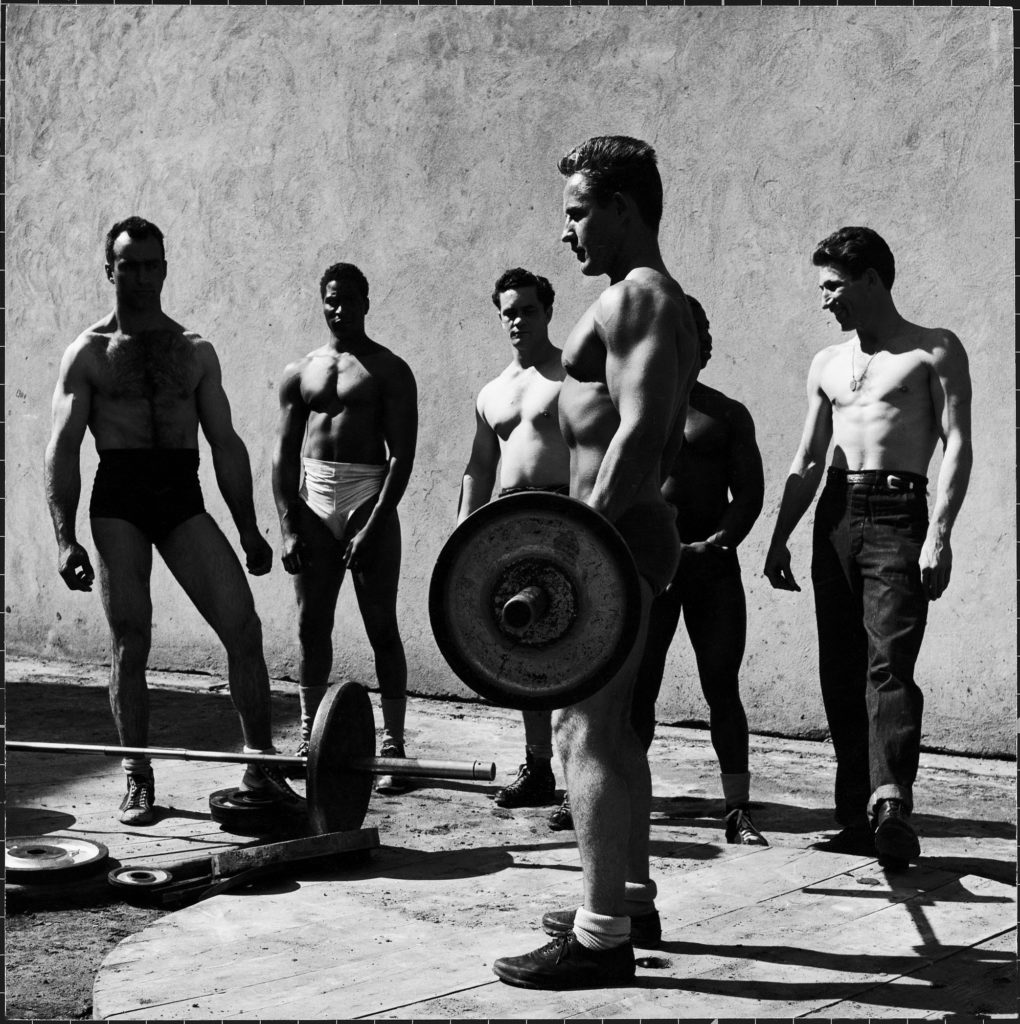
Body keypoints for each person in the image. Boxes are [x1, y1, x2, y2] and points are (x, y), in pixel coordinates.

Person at [493, 136, 699, 989]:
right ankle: (628, 894)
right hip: (617, 542)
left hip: (610, 543)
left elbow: (641, 437)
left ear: (623, 208)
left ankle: (602, 939)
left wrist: (573, 555)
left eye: (578, 212)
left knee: (583, 732)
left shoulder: (644, 296)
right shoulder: (636, 297)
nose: (567, 230)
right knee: (614, 732)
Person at [44, 216, 299, 827]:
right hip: (120, 496)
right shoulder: (89, 352)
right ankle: (136, 774)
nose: (140, 275)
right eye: (127, 263)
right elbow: (63, 446)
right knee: (132, 639)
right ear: (110, 268)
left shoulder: (194, 350)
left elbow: (226, 443)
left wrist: (248, 528)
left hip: (182, 495)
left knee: (243, 626)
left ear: (165, 267)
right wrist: (64, 538)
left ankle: (260, 765)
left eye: (151, 263)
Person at [763, 226, 972, 868]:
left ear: (871, 279)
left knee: (889, 662)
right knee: (841, 669)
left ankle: (890, 804)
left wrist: (940, 534)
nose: (826, 300)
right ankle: (857, 815)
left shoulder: (933, 350)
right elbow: (806, 456)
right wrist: (780, 537)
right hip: (835, 512)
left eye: (833, 286)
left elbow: (957, 444)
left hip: (898, 510)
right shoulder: (827, 363)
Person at [272, 262, 418, 794]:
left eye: (349, 300)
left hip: (366, 493)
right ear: (323, 301)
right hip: (313, 496)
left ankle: (394, 744)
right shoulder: (301, 372)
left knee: (381, 625)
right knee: (312, 624)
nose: (339, 309)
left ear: (366, 302)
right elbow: (283, 455)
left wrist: (375, 523)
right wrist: (288, 523)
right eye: (331, 300)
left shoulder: (389, 369)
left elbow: (402, 455)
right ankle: (310, 734)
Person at [630, 296, 768, 847]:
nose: (705, 339)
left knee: (721, 686)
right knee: (638, 689)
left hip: (711, 568)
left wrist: (720, 541)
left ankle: (737, 808)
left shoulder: (727, 413)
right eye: (694, 330)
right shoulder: (635, 408)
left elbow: (750, 493)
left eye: (708, 329)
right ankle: (616, 793)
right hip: (651, 567)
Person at [458, 267, 572, 828]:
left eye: (526, 309)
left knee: (575, 649)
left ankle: (584, 778)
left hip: (565, 520)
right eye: (508, 312)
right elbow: (479, 467)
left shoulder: (571, 377)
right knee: (526, 650)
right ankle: (538, 767)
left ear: (547, 311)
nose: (517, 320)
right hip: (510, 523)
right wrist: (464, 532)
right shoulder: (492, 391)